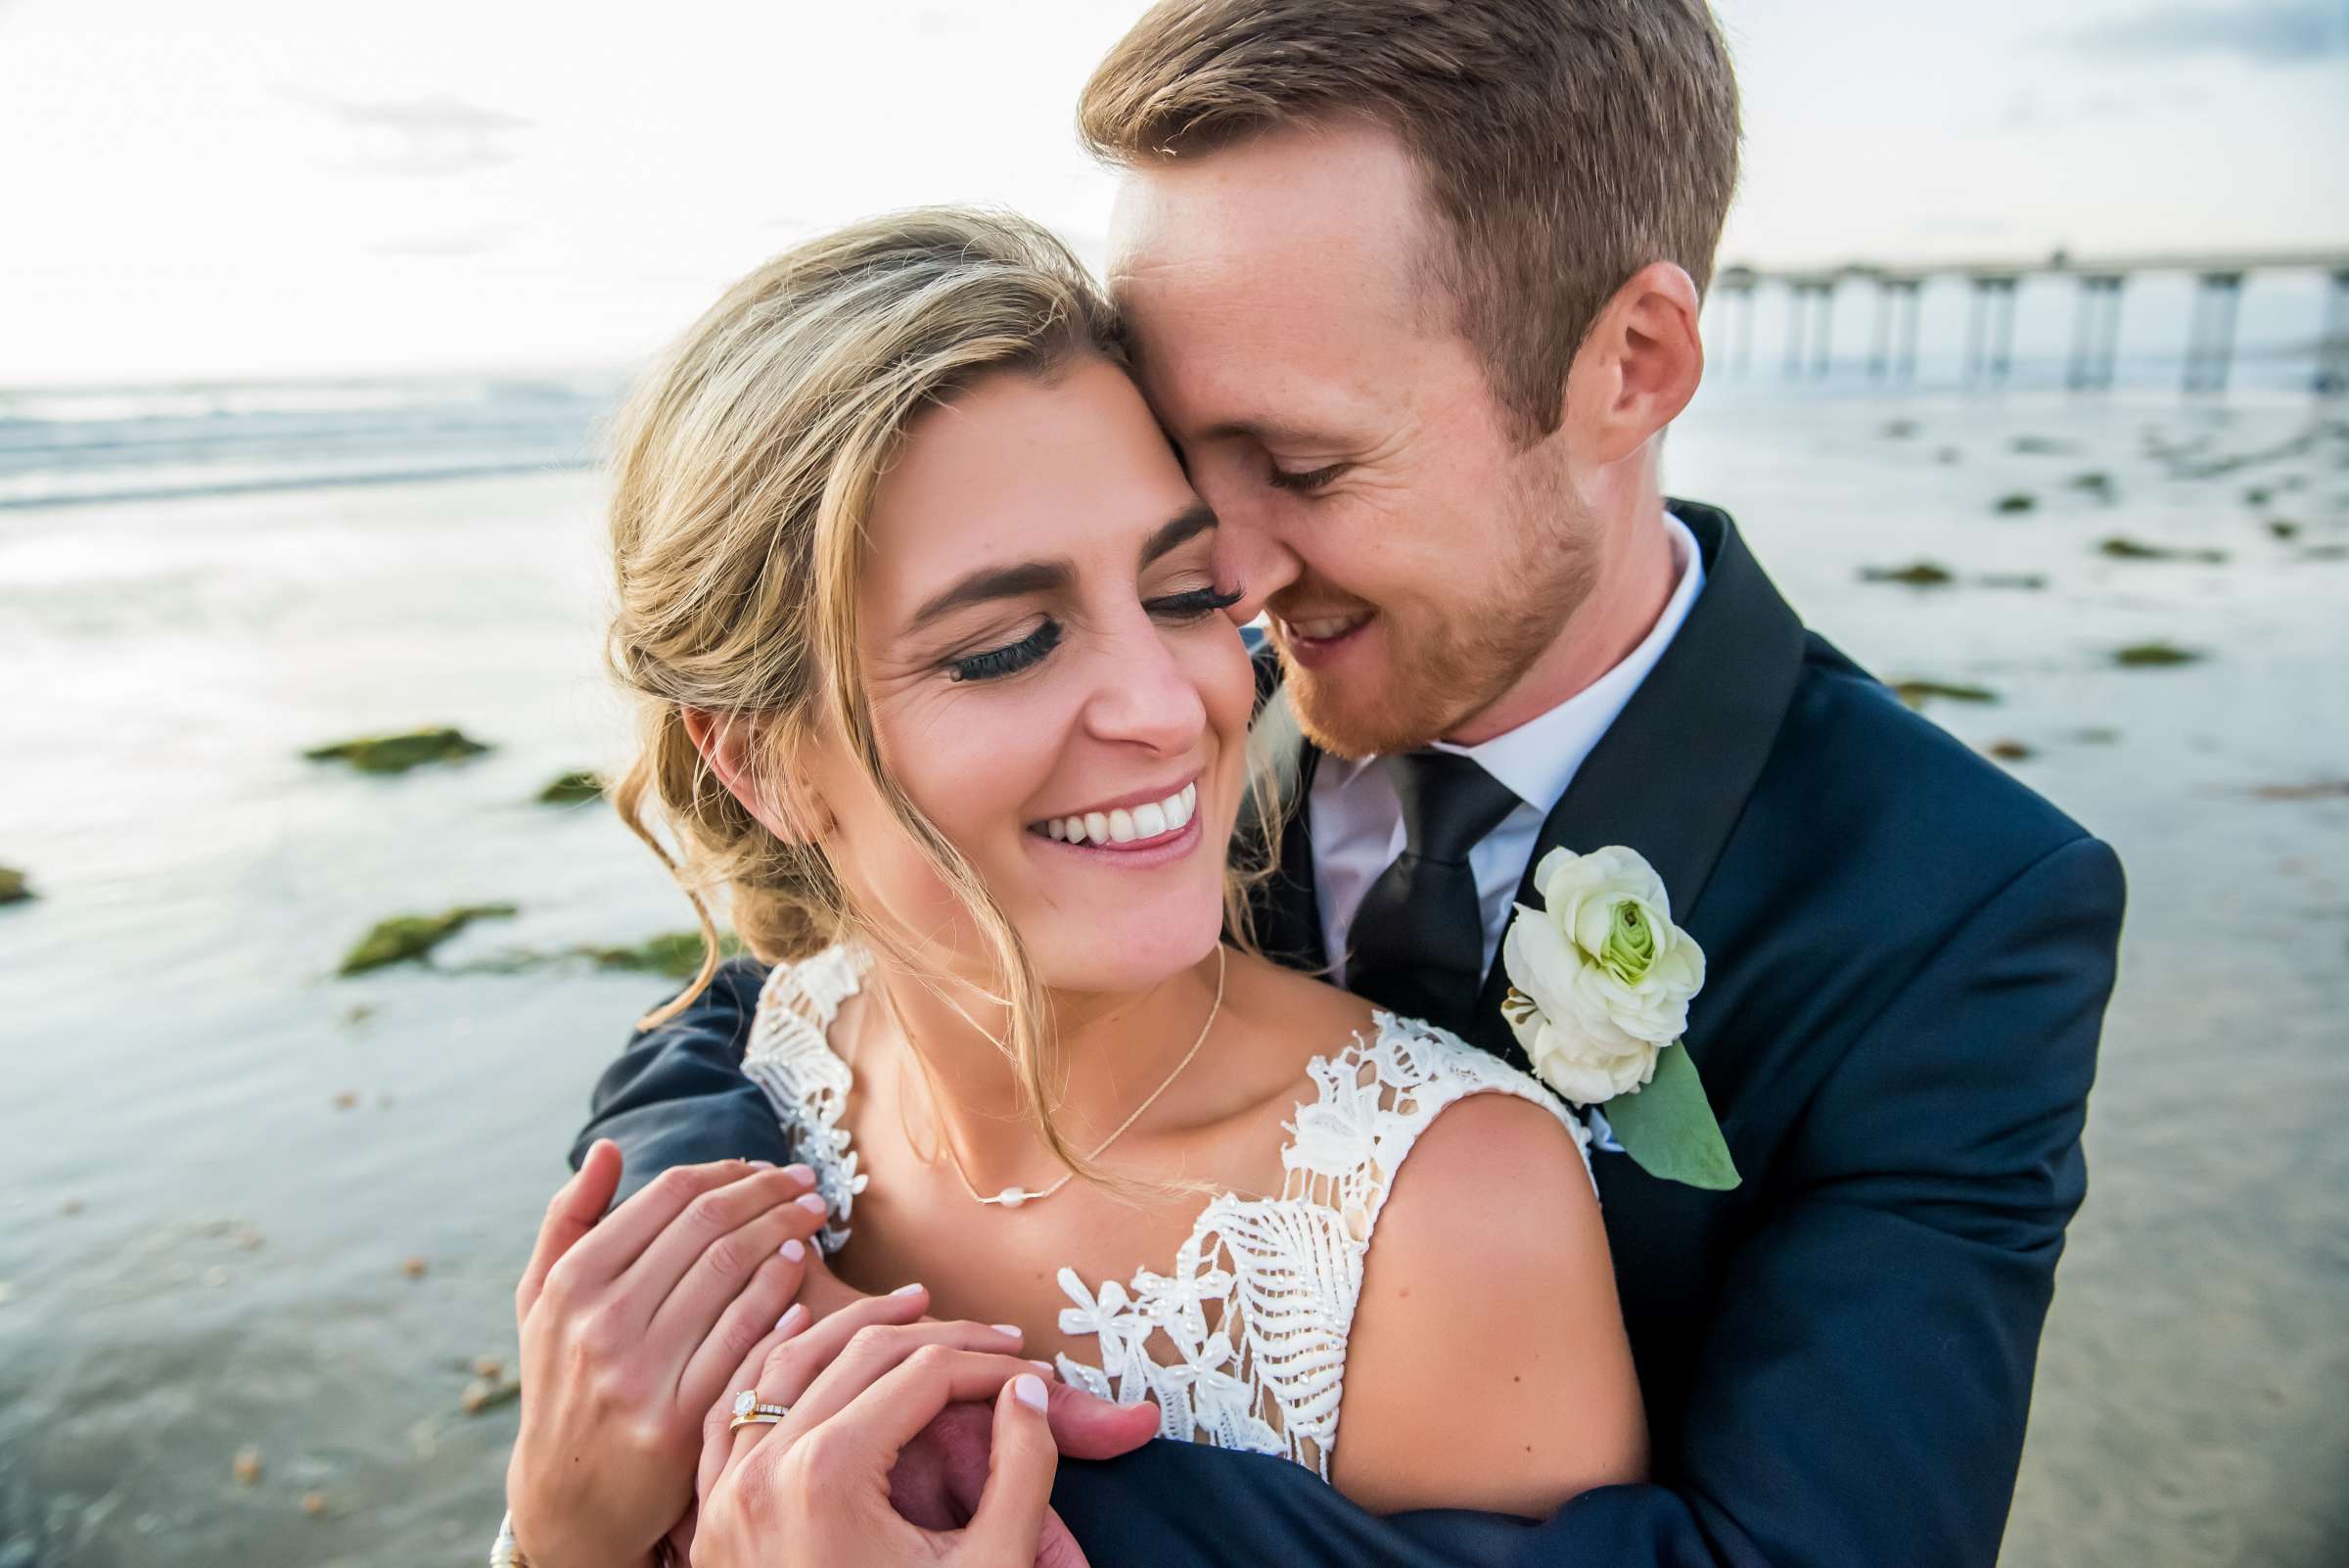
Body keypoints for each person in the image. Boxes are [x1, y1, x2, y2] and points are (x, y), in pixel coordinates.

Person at [544, 3, 2127, 1565]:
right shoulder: (1185, 701)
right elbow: (775, 983)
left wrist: (946, 1450)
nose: (1217, 587)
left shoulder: (1957, 909)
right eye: (1179, 454)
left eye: (1296, 463)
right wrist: (716, 1301)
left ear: (1632, 365)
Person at [496, 207, 1644, 1567]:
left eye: (1182, 593)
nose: (1170, 707)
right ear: (759, 762)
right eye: (1008, 645)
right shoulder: (756, 1071)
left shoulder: (1444, 1215)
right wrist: (556, 1534)